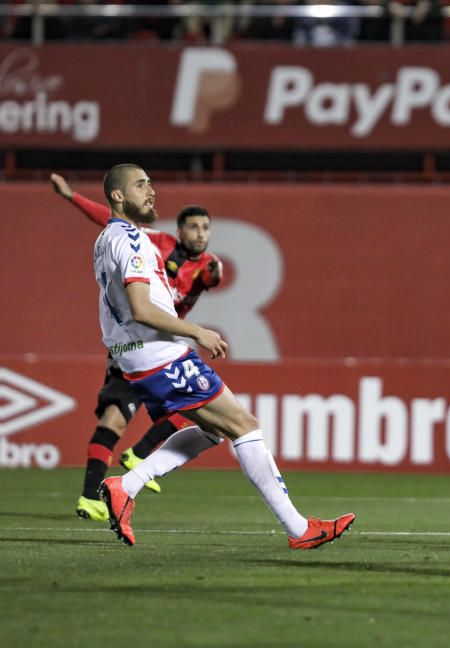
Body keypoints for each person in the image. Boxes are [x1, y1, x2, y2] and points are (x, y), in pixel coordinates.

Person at [92, 163, 355, 549]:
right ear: (117, 195)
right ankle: (300, 529)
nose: (151, 190)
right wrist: (198, 331)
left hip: (139, 355)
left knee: (216, 429)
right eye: (140, 184)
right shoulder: (129, 240)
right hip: (161, 354)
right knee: (244, 426)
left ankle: (125, 485)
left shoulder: (106, 238)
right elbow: (142, 309)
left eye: (150, 183)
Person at [52, 173, 224, 519]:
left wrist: (216, 276)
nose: (201, 234)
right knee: (116, 421)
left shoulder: (208, 267)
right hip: (137, 343)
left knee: (193, 407)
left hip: (163, 346)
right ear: (180, 230)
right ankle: (93, 494)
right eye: (194, 227)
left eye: (206, 228)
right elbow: (109, 219)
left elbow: (212, 279)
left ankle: (136, 457)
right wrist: (72, 197)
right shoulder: (151, 242)